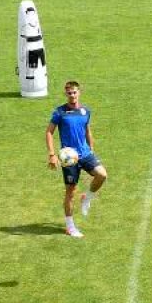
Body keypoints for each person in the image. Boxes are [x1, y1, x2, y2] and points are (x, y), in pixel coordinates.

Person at [46, 80, 108, 238]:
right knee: (70, 192)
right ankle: (70, 227)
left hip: (85, 154)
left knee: (102, 175)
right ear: (66, 94)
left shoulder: (85, 111)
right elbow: (49, 132)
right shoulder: (59, 112)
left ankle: (87, 197)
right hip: (69, 158)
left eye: (74, 92)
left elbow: (87, 130)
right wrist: (52, 154)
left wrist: (91, 148)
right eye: (69, 93)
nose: (72, 95)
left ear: (79, 92)